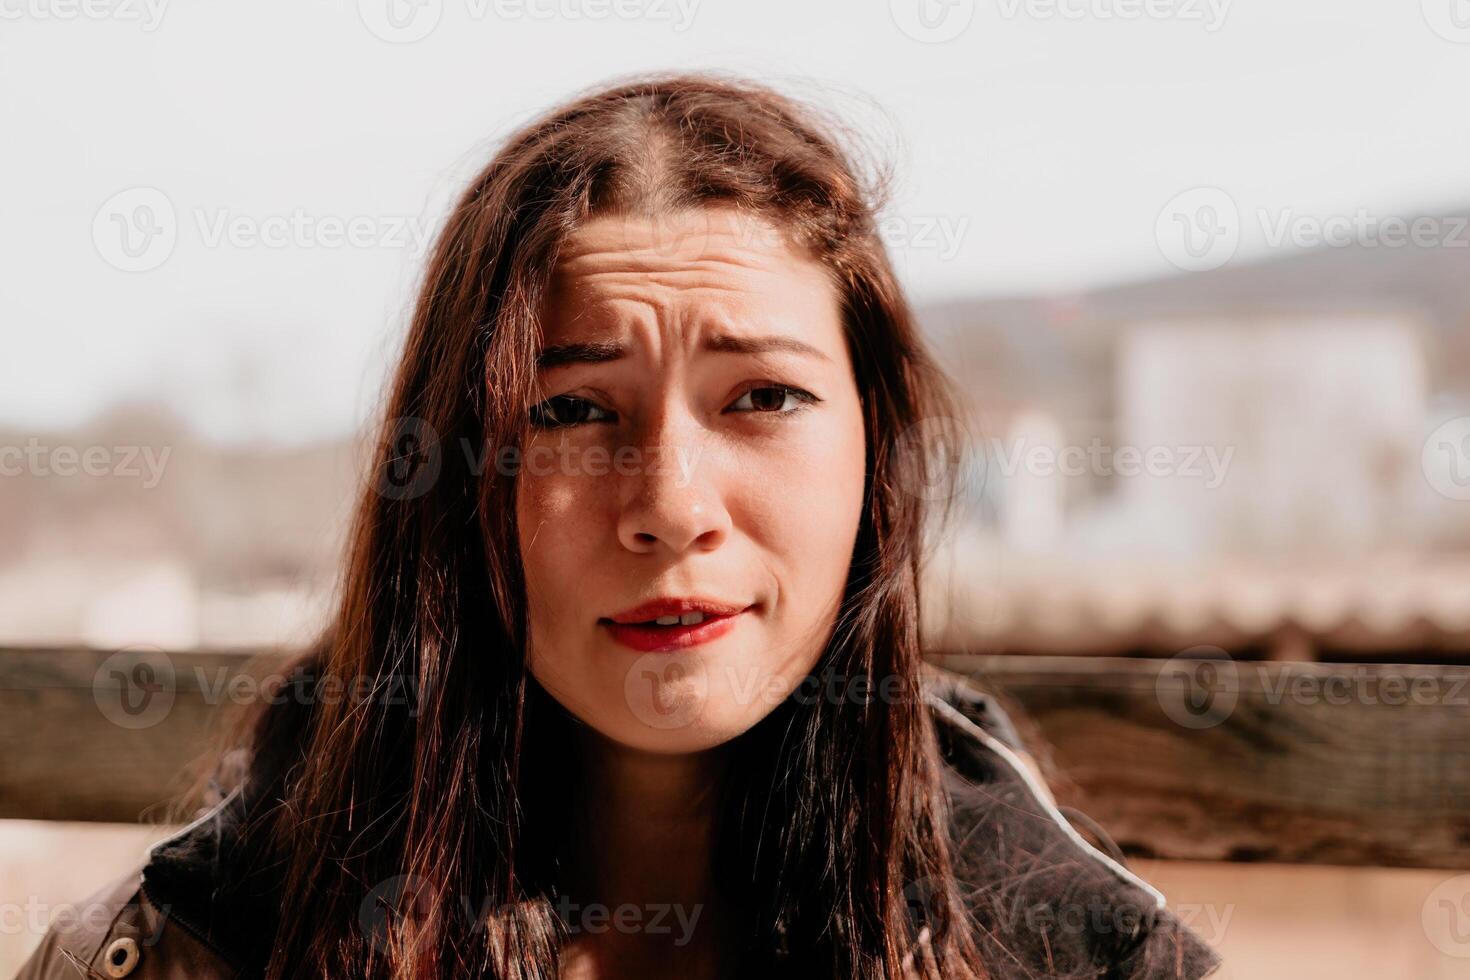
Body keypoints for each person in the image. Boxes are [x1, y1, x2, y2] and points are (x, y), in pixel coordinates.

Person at [17, 71, 1220, 980]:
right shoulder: (194, 941)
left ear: (880, 453)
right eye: (575, 409)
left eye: (763, 397)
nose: (671, 506)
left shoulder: (1068, 949)